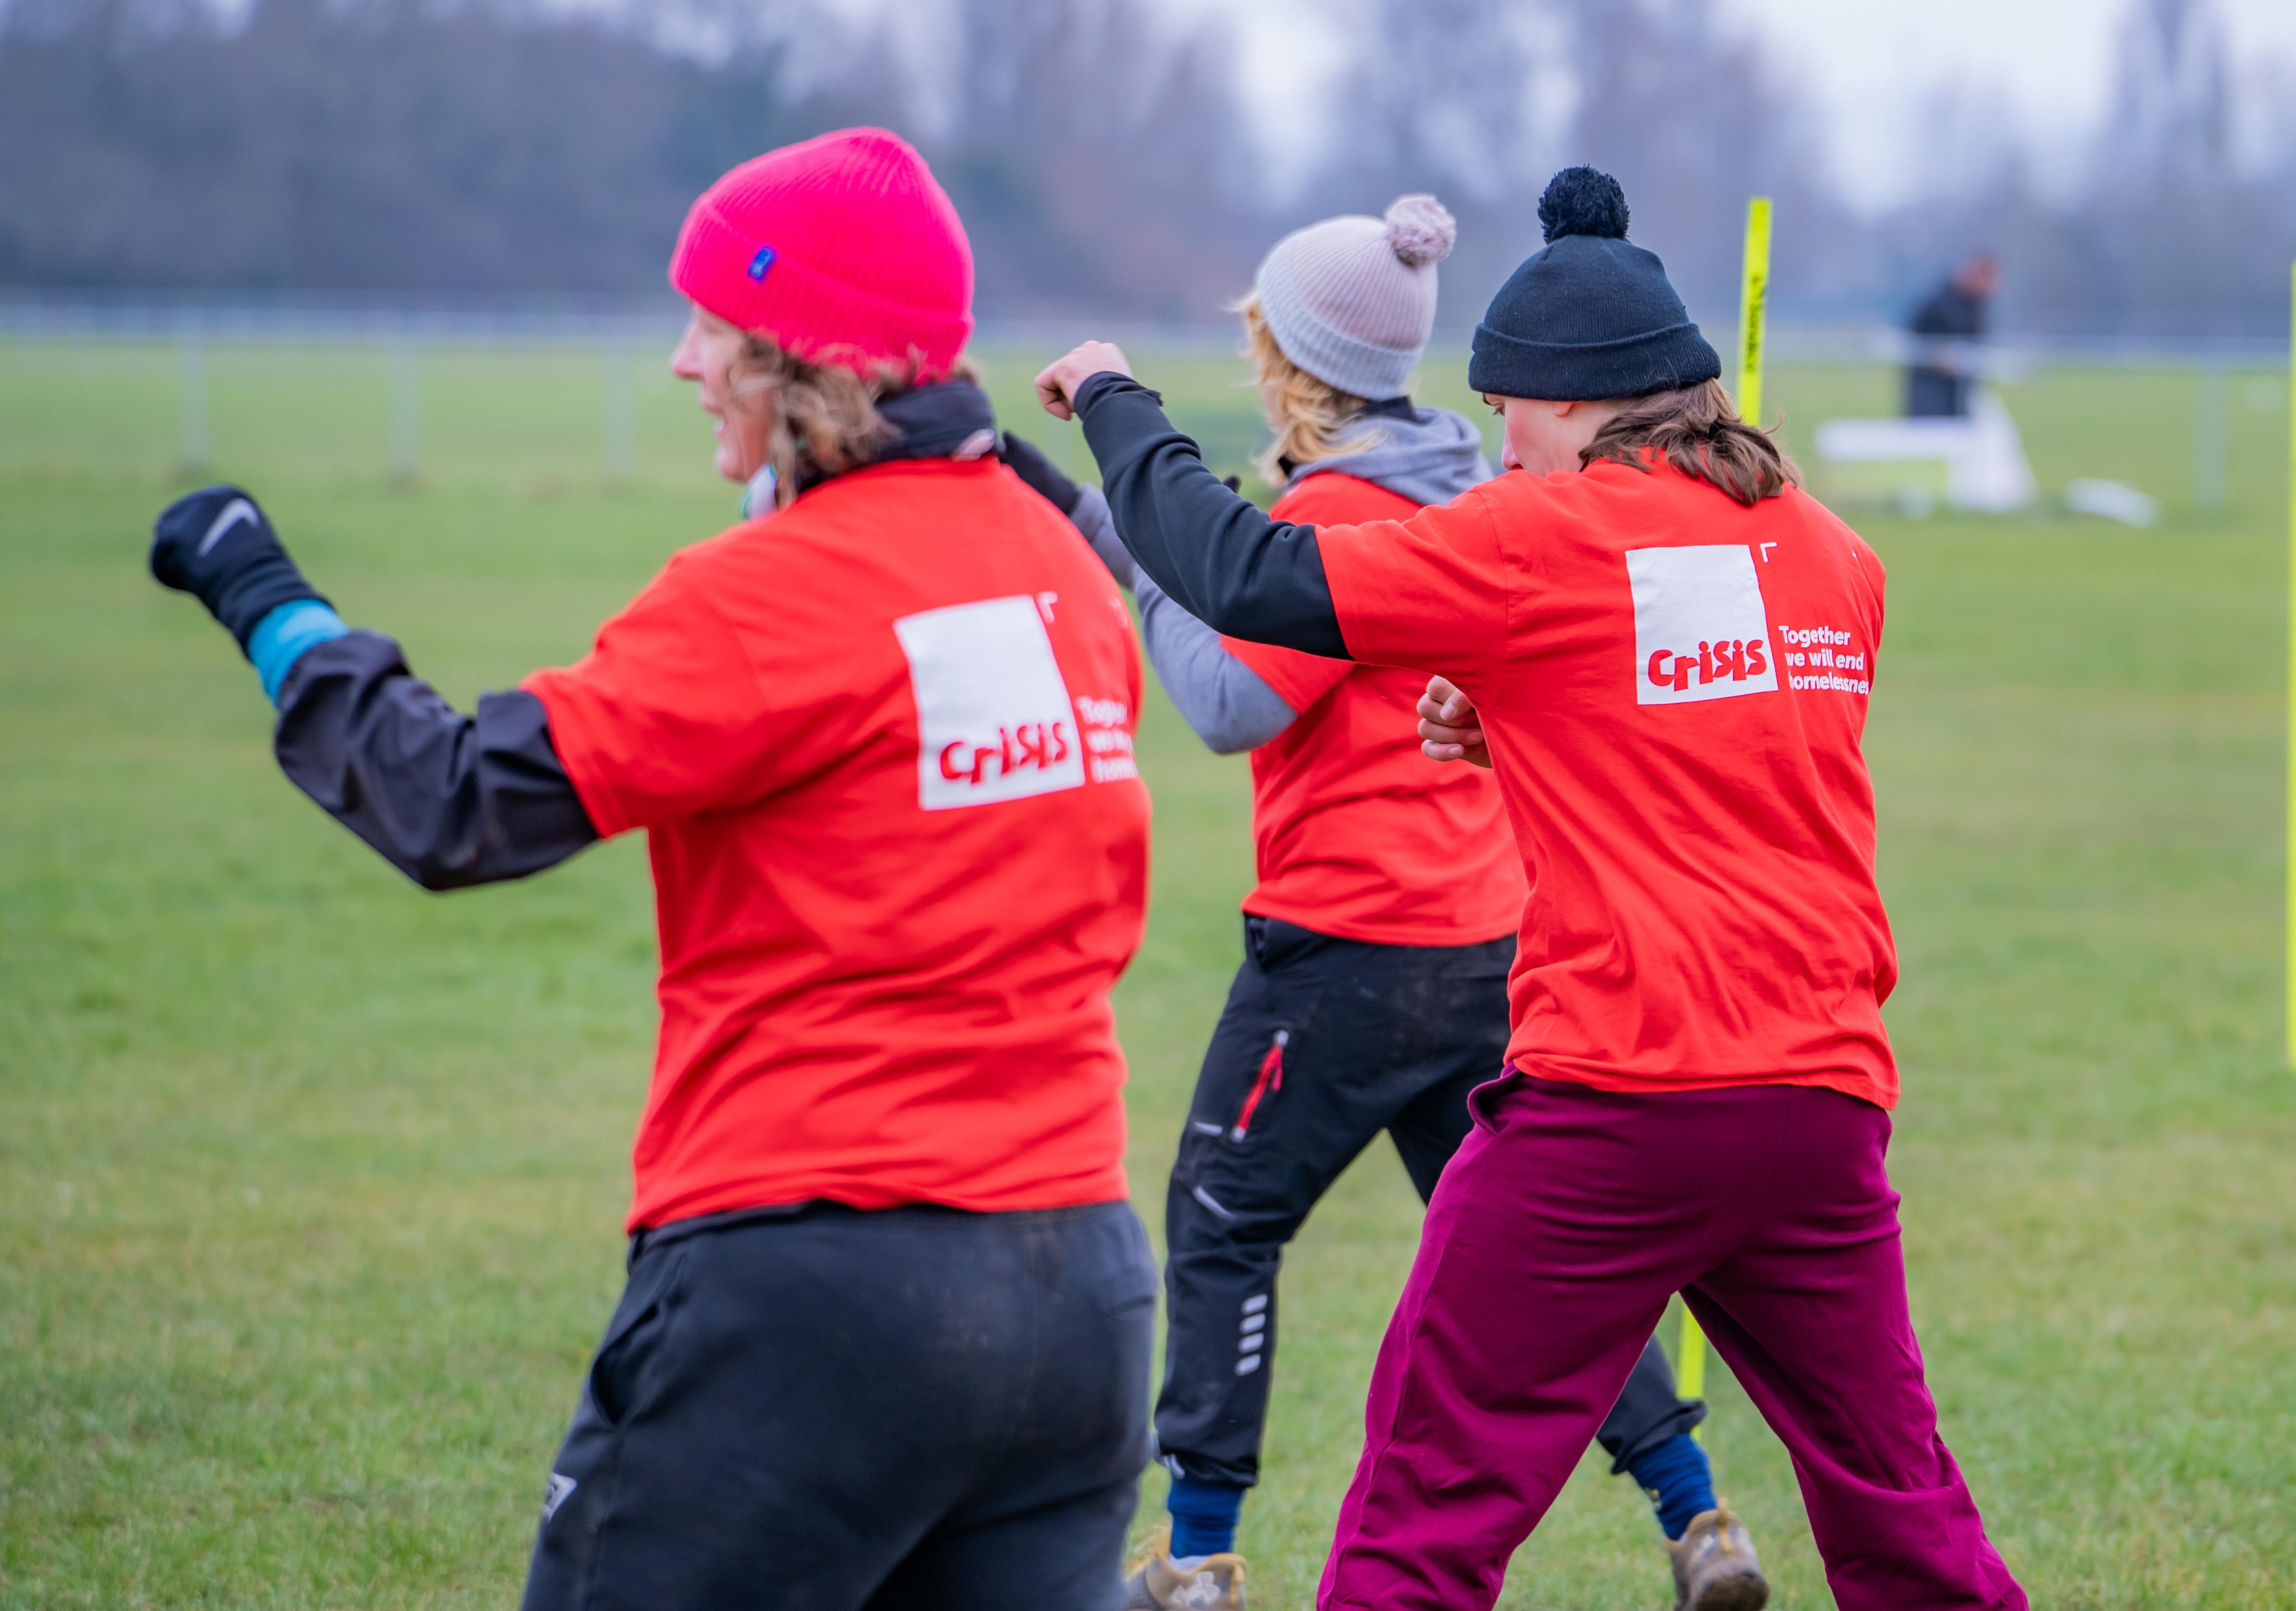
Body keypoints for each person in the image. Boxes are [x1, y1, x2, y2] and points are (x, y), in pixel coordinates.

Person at [147, 127, 1161, 1611]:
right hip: (1078, 1294)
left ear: (798, 359)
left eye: (713, 326)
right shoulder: (1057, 565)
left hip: (815, 1289)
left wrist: (269, 602)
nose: (686, 361)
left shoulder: (774, 592)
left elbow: (455, 803)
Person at [1032, 166, 2026, 1611]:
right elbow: (1725, 750)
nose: (1498, 447)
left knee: (1424, 1510)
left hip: (1619, 1103)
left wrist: (1116, 400)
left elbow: (1247, 577)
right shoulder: (1833, 555)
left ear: (1567, 400)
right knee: (1901, 1507)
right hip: (1819, 1107)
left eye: (1505, 412)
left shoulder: (1541, 532)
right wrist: (1529, 724)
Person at [1904, 253, 2000, 418]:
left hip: (1960, 383)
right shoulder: (1941, 299)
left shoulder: (1977, 304)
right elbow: (1918, 333)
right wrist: (1936, 354)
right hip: (1930, 385)